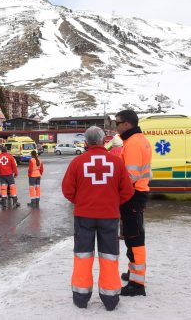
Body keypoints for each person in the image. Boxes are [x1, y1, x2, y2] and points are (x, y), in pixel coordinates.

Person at [62, 126, 134, 311]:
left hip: (83, 217)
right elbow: (127, 191)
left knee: (83, 256)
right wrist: (112, 202)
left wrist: (82, 202)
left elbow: (68, 190)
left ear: (86, 142)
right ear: (104, 141)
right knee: (109, 257)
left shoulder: (78, 162)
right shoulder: (116, 162)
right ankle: (110, 299)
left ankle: (81, 297)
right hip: (109, 217)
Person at [114, 109, 152, 297]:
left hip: (133, 196)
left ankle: (137, 284)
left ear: (127, 124)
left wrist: (118, 194)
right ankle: (133, 273)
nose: (116, 126)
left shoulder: (134, 144)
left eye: (117, 123)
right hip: (137, 194)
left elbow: (130, 176)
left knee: (135, 239)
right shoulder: (136, 140)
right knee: (132, 236)